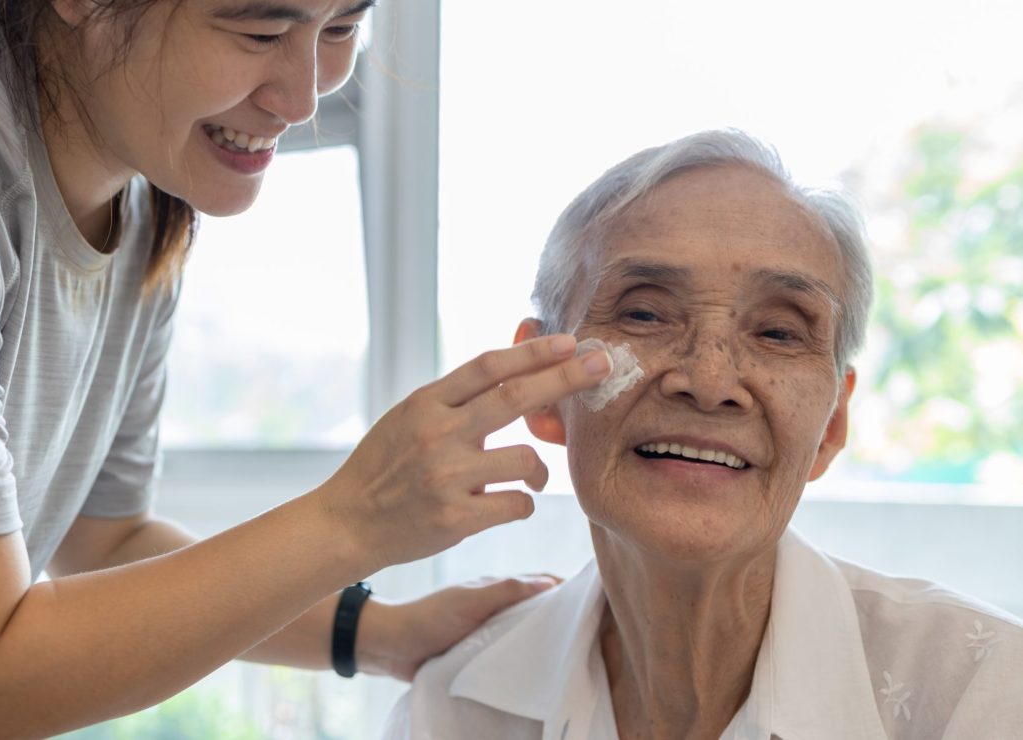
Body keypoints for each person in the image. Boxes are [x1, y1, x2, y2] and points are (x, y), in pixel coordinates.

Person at [0, 1, 618, 737]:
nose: (302, 98)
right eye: (259, 31)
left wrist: (380, 632)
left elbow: (103, 537)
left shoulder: (143, 189)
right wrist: (351, 520)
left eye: (344, 26)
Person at [385, 129, 1023, 739]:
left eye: (778, 332)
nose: (710, 379)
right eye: (644, 312)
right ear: (546, 382)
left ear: (831, 423)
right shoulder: (452, 710)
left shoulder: (982, 692)